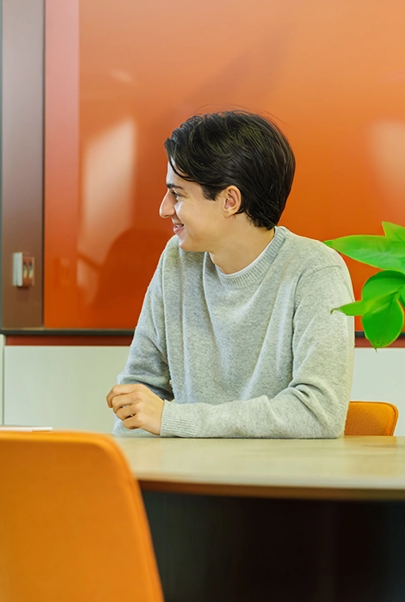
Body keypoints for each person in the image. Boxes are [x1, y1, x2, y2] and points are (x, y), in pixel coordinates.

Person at [107, 111, 353, 438]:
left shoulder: (315, 271)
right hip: (189, 481)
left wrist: (173, 419)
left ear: (230, 201)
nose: (164, 209)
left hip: (280, 484)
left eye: (177, 194)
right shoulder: (176, 261)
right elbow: (139, 399)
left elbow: (317, 413)